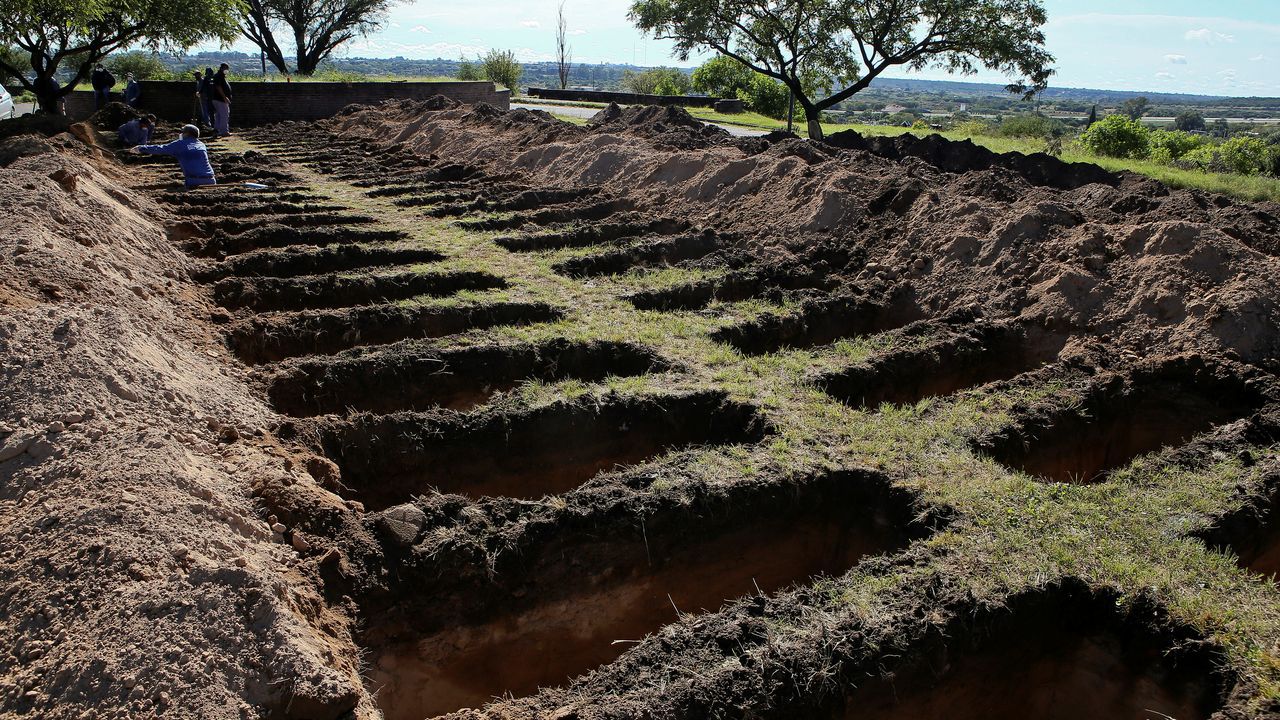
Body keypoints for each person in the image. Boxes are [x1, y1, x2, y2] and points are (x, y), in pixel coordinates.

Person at [133, 125, 216, 189]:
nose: (181, 134)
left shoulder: (180, 144)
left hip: (194, 181)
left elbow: (160, 148)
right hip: (211, 180)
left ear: (187, 134)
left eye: (182, 132)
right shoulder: (201, 145)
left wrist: (141, 148)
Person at [210, 63, 232, 138]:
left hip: (216, 99)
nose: (227, 70)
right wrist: (224, 97)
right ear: (223, 68)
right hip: (220, 99)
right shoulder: (219, 76)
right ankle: (224, 131)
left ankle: (216, 130)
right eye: (226, 69)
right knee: (224, 115)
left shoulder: (219, 76)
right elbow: (218, 87)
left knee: (218, 115)